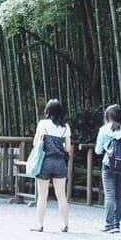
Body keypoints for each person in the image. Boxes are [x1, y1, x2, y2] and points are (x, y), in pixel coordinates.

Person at [29, 98, 72, 233]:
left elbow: (36, 143)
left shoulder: (43, 124)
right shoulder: (65, 127)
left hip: (45, 162)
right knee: (61, 196)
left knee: (42, 196)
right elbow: (67, 148)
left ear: (48, 110)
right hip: (60, 162)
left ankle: (40, 225)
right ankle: (65, 225)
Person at [95, 104, 121, 233]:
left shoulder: (104, 130)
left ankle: (108, 224)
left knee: (109, 195)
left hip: (108, 164)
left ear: (107, 116)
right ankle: (117, 224)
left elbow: (98, 150)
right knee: (118, 195)